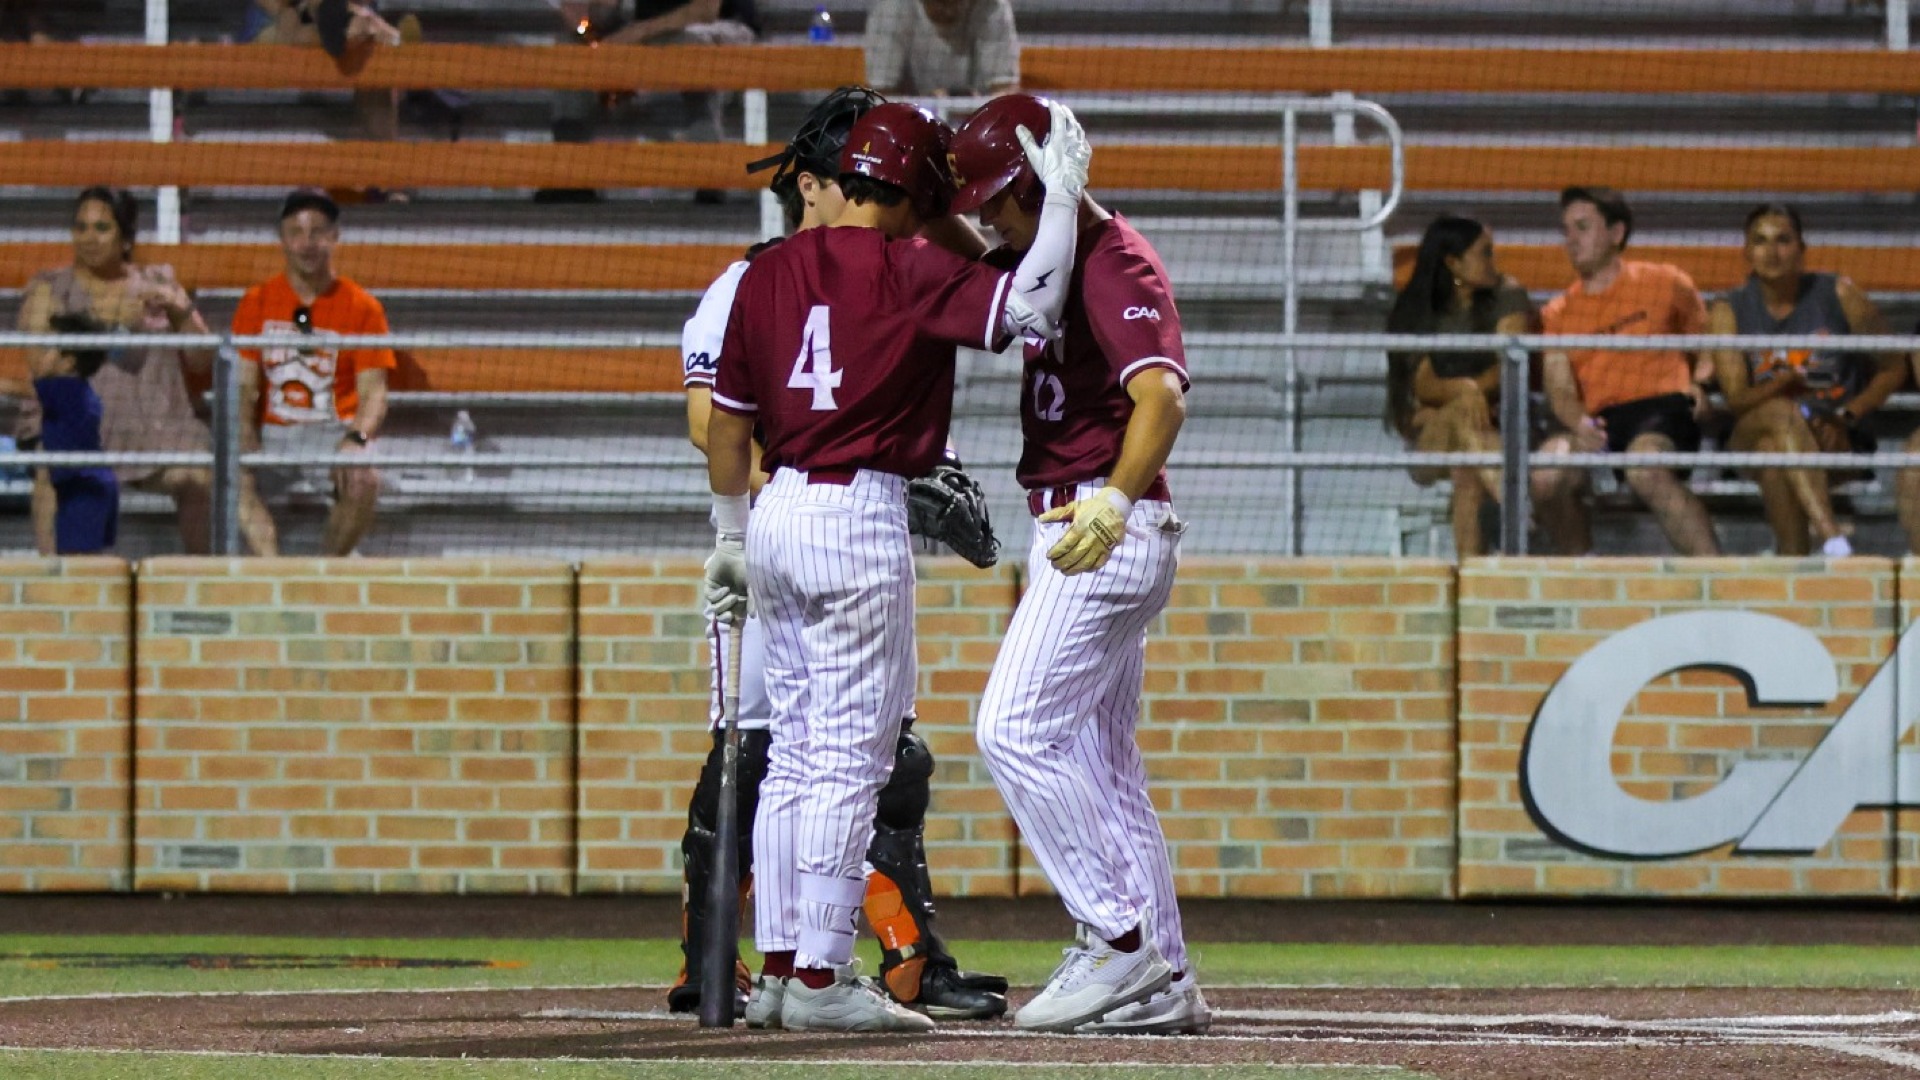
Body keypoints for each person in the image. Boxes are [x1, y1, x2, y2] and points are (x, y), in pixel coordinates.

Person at [703, 98, 1089, 1032]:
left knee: (792, 754)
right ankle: (825, 979)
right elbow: (1032, 305)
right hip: (859, 510)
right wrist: (1066, 202)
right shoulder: (911, 263)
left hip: (773, 505)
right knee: (850, 757)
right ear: (915, 190)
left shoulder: (765, 271)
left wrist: (727, 530)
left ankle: (789, 970)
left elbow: (727, 421)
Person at [948, 92, 1195, 1034]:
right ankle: (1165, 974)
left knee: (1011, 729)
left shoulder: (1113, 257)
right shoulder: (1048, 253)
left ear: (1031, 182)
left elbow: (1161, 400)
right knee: (1102, 763)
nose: (985, 219)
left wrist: (1116, 499)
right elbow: (963, 249)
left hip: (1102, 523)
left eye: (994, 201)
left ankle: (1116, 944)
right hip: (1096, 521)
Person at [11, 187, 258, 556]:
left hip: (155, 428)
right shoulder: (49, 290)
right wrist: (112, 324)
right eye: (80, 227)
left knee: (201, 473)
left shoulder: (156, 283)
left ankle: (205, 581)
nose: (88, 238)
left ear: (126, 239)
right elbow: (42, 365)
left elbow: (202, 362)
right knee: (52, 470)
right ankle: (58, 583)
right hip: (78, 423)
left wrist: (180, 309)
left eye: (101, 228)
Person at [1708, 204, 1904, 557]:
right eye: (1761, 241)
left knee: (1775, 460)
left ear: (1802, 250)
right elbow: (1736, 399)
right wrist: (1782, 384)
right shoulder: (1728, 310)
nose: (1772, 252)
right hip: (1753, 430)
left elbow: (1894, 366)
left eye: (1783, 240)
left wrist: (1848, 415)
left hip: (1833, 435)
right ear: (1747, 253)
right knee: (1780, 415)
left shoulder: (1841, 295)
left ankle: (1793, 564)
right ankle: (1831, 535)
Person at [1540, 185, 1720, 556]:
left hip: (1662, 411)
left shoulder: (1666, 282)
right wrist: (1580, 425)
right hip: (1600, 423)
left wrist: (1702, 384)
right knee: (1546, 473)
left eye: (1582, 228)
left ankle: (1717, 576)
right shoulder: (1557, 312)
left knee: (1645, 468)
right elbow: (1559, 391)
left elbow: (1710, 342)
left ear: (1616, 233)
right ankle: (1585, 572)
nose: (1570, 241)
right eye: (1566, 231)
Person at [1385, 214, 1573, 556]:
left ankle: (1472, 580)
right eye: (1484, 253)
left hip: (1504, 429)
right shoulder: (1415, 307)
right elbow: (1424, 384)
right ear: (1454, 263)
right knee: (1460, 416)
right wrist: (1467, 391)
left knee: (1467, 471)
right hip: (1430, 442)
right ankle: (1516, 506)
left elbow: (1509, 366)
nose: (1493, 261)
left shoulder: (1507, 293)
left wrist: (1462, 390)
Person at [231, 189, 394, 556]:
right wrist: (243, 428)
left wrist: (357, 439)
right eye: (296, 232)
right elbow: (243, 383)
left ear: (334, 237)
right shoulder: (256, 301)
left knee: (364, 475)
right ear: (282, 239)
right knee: (222, 470)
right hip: (273, 435)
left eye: (318, 232)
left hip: (333, 433)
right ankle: (272, 567)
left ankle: (324, 569)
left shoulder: (363, 307)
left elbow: (375, 393)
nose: (307, 243)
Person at [541, 0, 759, 203]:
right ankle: (570, 172)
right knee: (570, 44)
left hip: (721, 27)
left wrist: (635, 34)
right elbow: (605, 14)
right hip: (652, 33)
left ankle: (712, 172)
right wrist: (588, 13)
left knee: (692, 47)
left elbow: (705, 11)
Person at [30, 313, 117, 555]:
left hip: (84, 492)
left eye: (48, 348)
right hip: (86, 487)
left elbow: (23, 389)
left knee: (77, 570)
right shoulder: (77, 391)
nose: (39, 354)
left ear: (68, 362)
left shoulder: (66, 389)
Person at [865, 0, 1020, 98]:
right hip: (911, 124)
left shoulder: (992, 7)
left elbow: (1005, 90)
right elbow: (882, 93)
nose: (948, 10)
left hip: (977, 122)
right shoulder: (890, 10)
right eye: (940, 2)